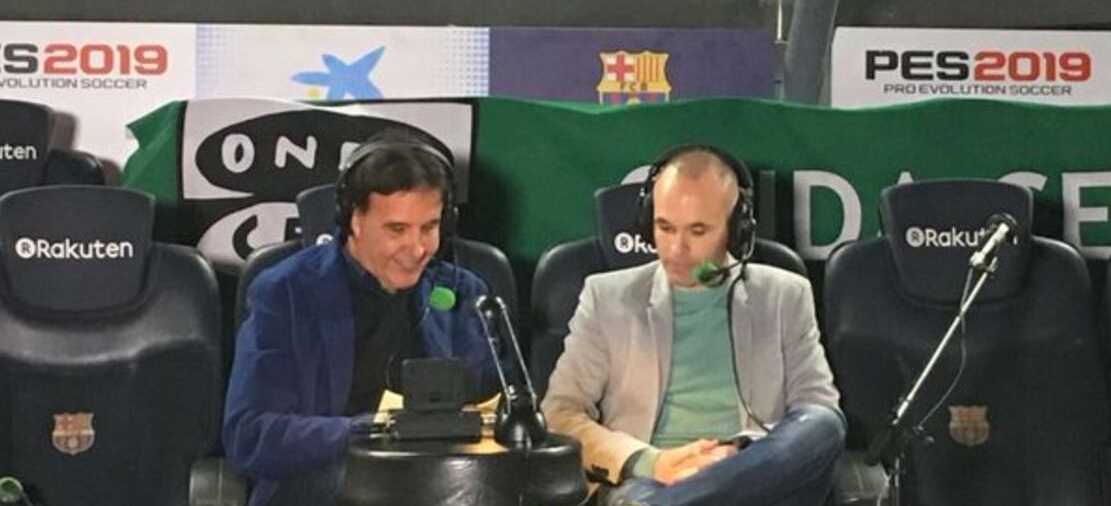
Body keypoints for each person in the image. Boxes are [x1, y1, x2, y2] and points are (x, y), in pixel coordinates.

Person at [542, 144, 845, 506]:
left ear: (736, 229)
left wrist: (737, 465)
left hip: (761, 480)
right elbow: (559, 414)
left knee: (823, 424)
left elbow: (816, 409)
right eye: (665, 228)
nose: (676, 249)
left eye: (698, 231)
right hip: (652, 481)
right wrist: (654, 463)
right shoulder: (607, 297)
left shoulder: (785, 295)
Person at [223, 126, 503, 506]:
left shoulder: (464, 293)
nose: (417, 248)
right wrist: (375, 429)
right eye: (397, 229)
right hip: (326, 488)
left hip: (445, 488)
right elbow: (251, 435)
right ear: (354, 218)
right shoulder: (286, 293)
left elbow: (500, 409)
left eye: (430, 227)